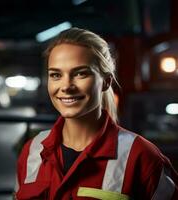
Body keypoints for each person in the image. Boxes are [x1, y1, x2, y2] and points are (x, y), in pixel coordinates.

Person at [14, 27, 178, 200]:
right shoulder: (32, 150)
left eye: (80, 73)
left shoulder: (141, 156)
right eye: (56, 75)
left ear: (106, 82)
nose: (66, 87)